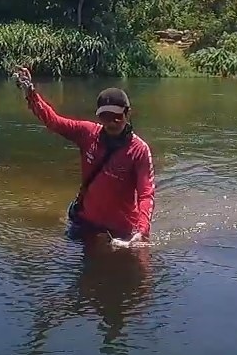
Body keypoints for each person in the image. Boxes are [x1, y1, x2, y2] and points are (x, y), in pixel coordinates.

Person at [12, 66, 155, 247]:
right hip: (86, 222)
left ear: (128, 113)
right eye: (105, 117)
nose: (111, 123)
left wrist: (142, 231)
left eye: (117, 118)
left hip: (122, 230)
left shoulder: (139, 150)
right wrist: (31, 93)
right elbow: (54, 121)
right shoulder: (88, 133)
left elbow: (146, 194)